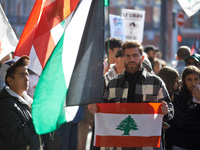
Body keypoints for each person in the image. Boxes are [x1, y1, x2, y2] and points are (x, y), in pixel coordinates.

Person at [90, 40, 174, 150]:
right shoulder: (113, 84)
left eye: (135, 55)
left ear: (142, 58)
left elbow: (170, 110)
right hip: (119, 144)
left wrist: (166, 110)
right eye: (128, 56)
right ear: (123, 58)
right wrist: (95, 109)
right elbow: (105, 113)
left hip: (146, 145)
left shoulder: (156, 82)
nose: (132, 59)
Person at [0, 56, 41, 149]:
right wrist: (35, 118)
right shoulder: (5, 105)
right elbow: (17, 138)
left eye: (27, 74)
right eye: (21, 75)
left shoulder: (29, 101)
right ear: (10, 80)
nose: (27, 79)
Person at [166, 66, 200, 150]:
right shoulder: (178, 97)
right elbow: (181, 121)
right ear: (184, 81)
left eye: (196, 79)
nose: (193, 83)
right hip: (181, 144)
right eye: (189, 80)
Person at [157, 66, 179, 149]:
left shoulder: (177, 96)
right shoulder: (157, 95)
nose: (176, 85)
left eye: (177, 81)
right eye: (174, 82)